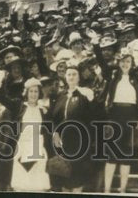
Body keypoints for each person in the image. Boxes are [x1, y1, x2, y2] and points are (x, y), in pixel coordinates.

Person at [98, 49, 138, 193]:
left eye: (128, 61)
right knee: (111, 154)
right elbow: (103, 64)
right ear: (118, 62)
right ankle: (106, 190)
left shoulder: (137, 77)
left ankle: (123, 189)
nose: (125, 64)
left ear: (132, 63)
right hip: (115, 115)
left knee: (126, 154)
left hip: (131, 115)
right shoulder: (113, 75)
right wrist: (96, 45)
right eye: (123, 61)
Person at [50, 63, 98, 192]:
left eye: (74, 74)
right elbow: (54, 118)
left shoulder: (85, 93)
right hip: (63, 141)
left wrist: (91, 99)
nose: (71, 77)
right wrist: (55, 133)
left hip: (80, 140)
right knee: (64, 174)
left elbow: (94, 115)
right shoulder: (60, 95)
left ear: (79, 77)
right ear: (65, 77)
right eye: (69, 74)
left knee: (77, 176)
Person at [8, 77, 51, 193]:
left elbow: (50, 129)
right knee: (21, 185)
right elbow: (3, 98)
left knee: (38, 185)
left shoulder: (43, 110)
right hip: (22, 147)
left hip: (38, 147)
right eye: (31, 91)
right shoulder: (20, 107)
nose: (33, 94)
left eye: (36, 91)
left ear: (39, 93)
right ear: (26, 93)